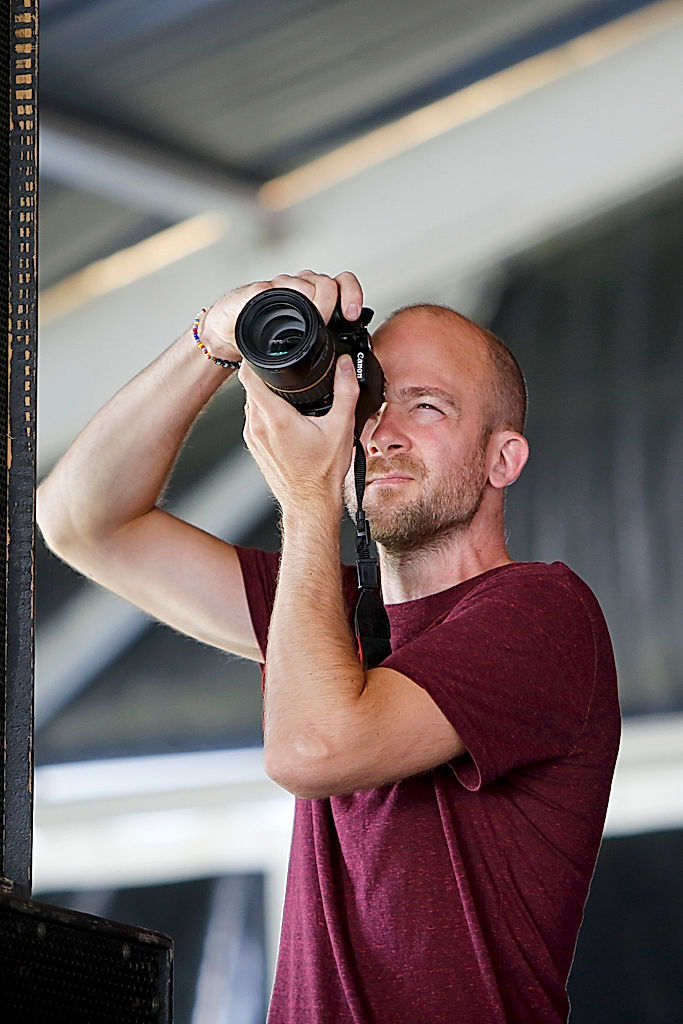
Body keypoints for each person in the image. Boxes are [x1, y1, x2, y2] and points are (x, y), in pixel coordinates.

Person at [37, 270, 621, 1024]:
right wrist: (212, 341)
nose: (382, 430)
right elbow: (81, 521)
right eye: (371, 401)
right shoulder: (324, 614)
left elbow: (313, 749)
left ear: (500, 460)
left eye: (427, 405)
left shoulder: (543, 612)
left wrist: (308, 496)